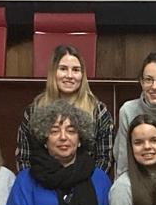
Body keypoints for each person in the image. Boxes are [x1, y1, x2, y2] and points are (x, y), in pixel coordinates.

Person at [15, 44, 114, 174]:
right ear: (53, 72)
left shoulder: (98, 111)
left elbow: (104, 159)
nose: (69, 75)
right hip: (41, 184)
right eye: (63, 69)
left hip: (85, 186)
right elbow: (24, 158)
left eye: (76, 70)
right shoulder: (35, 110)